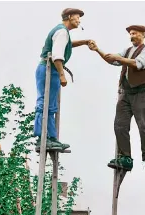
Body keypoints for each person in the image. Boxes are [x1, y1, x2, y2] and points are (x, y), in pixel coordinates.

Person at [88, 26, 145, 173]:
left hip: (141, 92)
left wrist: (118, 58)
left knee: (143, 125)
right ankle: (126, 158)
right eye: (131, 34)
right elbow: (112, 60)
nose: (132, 36)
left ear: (143, 34)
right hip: (125, 93)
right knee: (120, 125)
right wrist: (98, 50)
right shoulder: (127, 51)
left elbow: (137, 64)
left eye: (135, 33)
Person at [34, 8, 94, 153]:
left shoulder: (63, 32)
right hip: (50, 69)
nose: (79, 20)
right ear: (68, 17)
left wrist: (84, 42)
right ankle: (42, 136)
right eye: (77, 17)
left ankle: (51, 137)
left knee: (51, 104)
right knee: (45, 102)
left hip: (50, 69)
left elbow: (66, 44)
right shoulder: (62, 31)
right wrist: (62, 74)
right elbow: (57, 55)